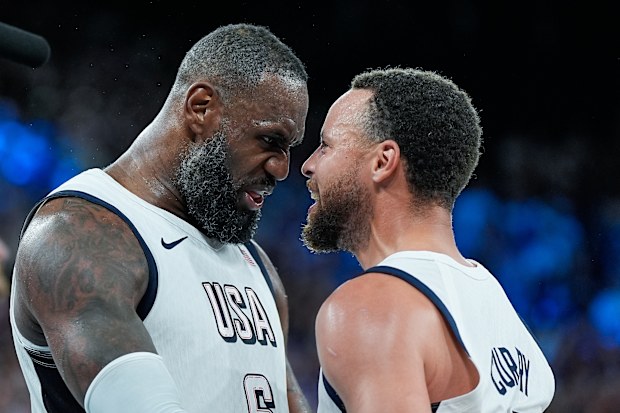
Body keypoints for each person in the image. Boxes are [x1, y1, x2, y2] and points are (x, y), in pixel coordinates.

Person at [10, 23, 312, 413]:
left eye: (290, 148)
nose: (282, 169)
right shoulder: (77, 235)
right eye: (271, 141)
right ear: (200, 107)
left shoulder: (259, 268)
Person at [300, 67, 555, 412]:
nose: (309, 165)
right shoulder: (493, 299)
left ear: (382, 161)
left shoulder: (372, 306)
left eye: (326, 146)